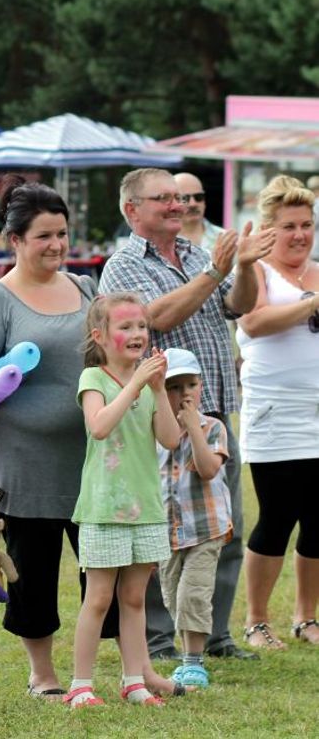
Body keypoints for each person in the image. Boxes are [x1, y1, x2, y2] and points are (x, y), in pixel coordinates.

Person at [0, 178, 130, 698]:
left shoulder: (83, 288)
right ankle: (43, 673)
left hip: (92, 459)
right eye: (44, 236)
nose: (57, 245)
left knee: (107, 567)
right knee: (31, 570)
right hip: (24, 463)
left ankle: (129, 670)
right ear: (15, 240)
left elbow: (112, 354)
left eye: (62, 234)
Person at [98, 167, 275, 662]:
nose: (177, 206)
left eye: (179, 199)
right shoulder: (121, 265)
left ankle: (214, 636)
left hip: (214, 408)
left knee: (224, 525)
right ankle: (158, 639)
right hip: (157, 420)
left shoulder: (200, 254)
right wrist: (216, 271)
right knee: (161, 531)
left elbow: (237, 306)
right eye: (163, 200)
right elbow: (158, 316)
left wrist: (240, 267)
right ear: (132, 209)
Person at [65, 293, 180, 708]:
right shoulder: (93, 379)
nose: (137, 335)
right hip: (104, 508)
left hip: (145, 507)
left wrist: (158, 389)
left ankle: (134, 682)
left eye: (142, 327)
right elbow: (98, 426)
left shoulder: (148, 383)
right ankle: (81, 685)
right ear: (99, 335)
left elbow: (169, 438)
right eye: (126, 327)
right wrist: (134, 384)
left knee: (134, 599)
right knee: (98, 598)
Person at [235, 175, 319, 650]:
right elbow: (254, 321)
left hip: (318, 410)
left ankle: (307, 617)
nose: (300, 235)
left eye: (306, 225)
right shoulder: (257, 272)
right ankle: (257, 620)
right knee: (278, 514)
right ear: (269, 229)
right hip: (275, 412)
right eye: (289, 225)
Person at [157, 347, 232, 688]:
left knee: (194, 593)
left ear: (201, 386)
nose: (184, 394)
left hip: (206, 527)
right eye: (174, 387)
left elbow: (207, 468)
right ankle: (188, 654)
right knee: (173, 594)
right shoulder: (154, 431)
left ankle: (193, 661)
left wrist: (194, 430)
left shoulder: (213, 427)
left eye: (191, 385)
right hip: (168, 528)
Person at [173, 173, 224, 253]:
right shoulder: (156, 241)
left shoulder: (226, 239)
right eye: (184, 198)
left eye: (198, 197)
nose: (193, 204)